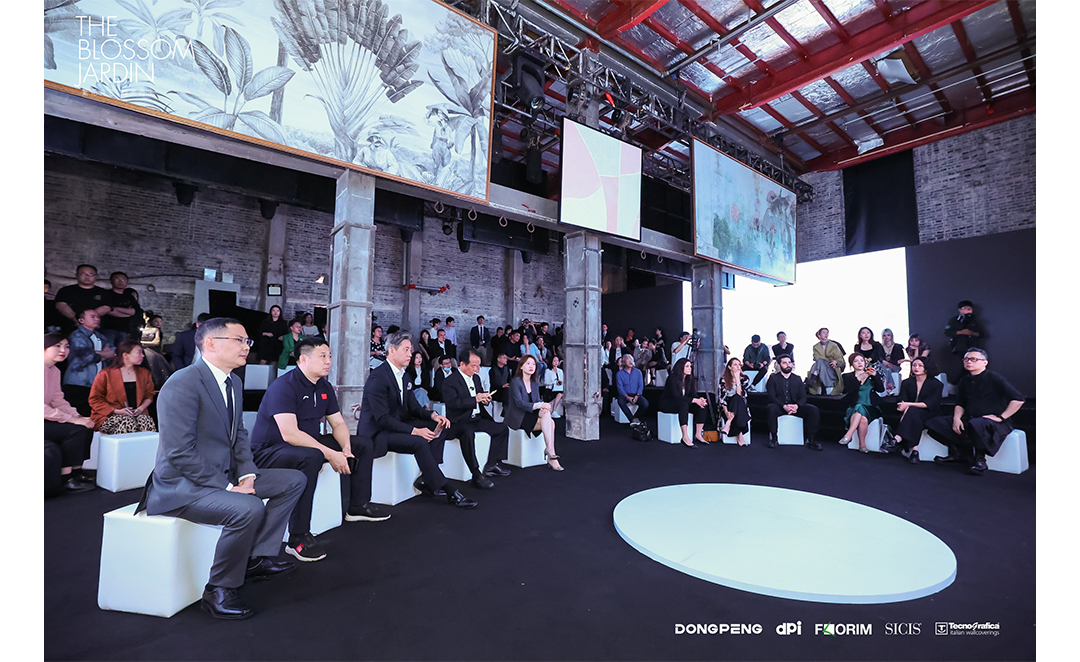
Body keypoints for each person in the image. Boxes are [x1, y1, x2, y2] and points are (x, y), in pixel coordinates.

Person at [141, 317, 306, 620]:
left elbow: (238, 434)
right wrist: (230, 488)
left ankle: (257, 557)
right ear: (211, 343)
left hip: (223, 476)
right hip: (183, 485)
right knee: (248, 507)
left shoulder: (233, 382)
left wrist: (247, 474)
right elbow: (179, 452)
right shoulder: (183, 382)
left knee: (294, 480)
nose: (247, 346)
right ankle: (219, 588)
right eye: (239, 340)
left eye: (247, 341)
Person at [249, 337, 388, 563]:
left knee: (362, 444)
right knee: (312, 456)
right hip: (271, 450)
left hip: (308, 443)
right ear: (303, 359)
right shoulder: (285, 386)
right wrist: (330, 454)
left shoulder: (324, 387)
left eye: (330, 356)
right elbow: (290, 434)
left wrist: (345, 448)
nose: (328, 361)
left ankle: (358, 506)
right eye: (323, 356)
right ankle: (298, 537)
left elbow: (338, 423)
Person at [355, 329, 477, 508]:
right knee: (419, 441)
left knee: (440, 428)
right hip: (378, 433)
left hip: (398, 424)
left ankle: (428, 478)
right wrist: (415, 431)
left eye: (411, 350)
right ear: (391, 350)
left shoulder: (404, 376)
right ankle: (448, 489)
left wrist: (434, 416)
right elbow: (382, 419)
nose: (410, 354)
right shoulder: (378, 377)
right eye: (406, 349)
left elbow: (413, 407)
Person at [925, 348, 1024, 475]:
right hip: (970, 418)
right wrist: (956, 418)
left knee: (977, 423)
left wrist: (1001, 417)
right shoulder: (964, 381)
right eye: (966, 359)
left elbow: (1018, 399)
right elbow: (960, 403)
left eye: (973, 359)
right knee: (934, 423)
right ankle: (959, 453)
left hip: (992, 422)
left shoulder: (994, 378)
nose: (969, 362)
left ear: (985, 362)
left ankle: (980, 460)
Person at [442, 348, 512, 489]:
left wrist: (484, 399)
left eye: (478, 366)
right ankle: (476, 474)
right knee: (467, 433)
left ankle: (491, 464)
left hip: (476, 418)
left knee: (502, 428)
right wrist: (475, 399)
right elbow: (453, 403)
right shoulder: (450, 381)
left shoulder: (476, 378)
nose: (477, 369)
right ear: (462, 364)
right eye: (473, 366)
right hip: (459, 421)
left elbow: (478, 396)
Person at [44, 333, 97, 493]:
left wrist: (78, 417)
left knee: (86, 426)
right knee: (75, 430)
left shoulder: (54, 370)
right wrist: (71, 420)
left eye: (66, 346)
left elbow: (58, 400)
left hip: (46, 417)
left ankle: (77, 471)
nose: (63, 350)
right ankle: (66, 477)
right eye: (57, 346)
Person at [505, 354, 562, 470]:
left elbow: (537, 400)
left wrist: (544, 406)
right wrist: (540, 405)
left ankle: (550, 451)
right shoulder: (516, 382)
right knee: (551, 422)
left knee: (547, 415)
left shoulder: (534, 383)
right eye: (528, 364)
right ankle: (551, 453)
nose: (531, 366)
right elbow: (519, 403)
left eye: (534, 364)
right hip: (518, 417)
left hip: (531, 413)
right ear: (521, 366)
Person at [89, 340, 157, 434]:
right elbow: (95, 399)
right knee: (128, 422)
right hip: (108, 416)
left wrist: (141, 408)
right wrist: (116, 411)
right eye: (139, 352)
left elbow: (149, 395)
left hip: (137, 414)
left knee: (146, 421)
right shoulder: (105, 374)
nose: (142, 356)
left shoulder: (144, 373)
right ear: (125, 355)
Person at [63, 308, 116, 416]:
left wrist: (96, 352)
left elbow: (113, 352)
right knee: (80, 414)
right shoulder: (76, 336)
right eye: (93, 317)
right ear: (81, 320)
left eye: (98, 316)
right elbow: (87, 356)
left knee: (94, 415)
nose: (96, 319)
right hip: (78, 382)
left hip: (96, 382)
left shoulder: (100, 336)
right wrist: (104, 354)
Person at [891, 357, 943, 464]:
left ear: (927, 368)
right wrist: (903, 406)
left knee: (911, 411)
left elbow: (930, 404)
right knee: (912, 412)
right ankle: (915, 450)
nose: (916, 368)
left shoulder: (936, 384)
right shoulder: (906, 382)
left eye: (920, 365)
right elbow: (902, 399)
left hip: (930, 412)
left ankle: (898, 437)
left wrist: (908, 405)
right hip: (912, 414)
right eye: (914, 365)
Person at [765, 355, 822, 450]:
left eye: (789, 362)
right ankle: (774, 439)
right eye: (784, 363)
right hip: (780, 406)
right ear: (779, 365)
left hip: (795, 407)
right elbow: (771, 396)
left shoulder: (797, 378)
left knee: (813, 410)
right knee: (771, 408)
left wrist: (797, 406)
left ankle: (811, 440)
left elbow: (803, 396)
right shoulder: (773, 378)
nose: (788, 365)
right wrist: (784, 406)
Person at [838, 354, 885, 453]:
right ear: (851, 364)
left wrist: (875, 376)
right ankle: (862, 445)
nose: (859, 363)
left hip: (871, 407)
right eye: (856, 361)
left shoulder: (872, 375)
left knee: (860, 408)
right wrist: (858, 379)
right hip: (854, 406)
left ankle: (848, 435)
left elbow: (881, 389)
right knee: (862, 417)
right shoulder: (847, 376)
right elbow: (848, 390)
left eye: (861, 360)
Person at [660, 357, 708, 448]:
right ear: (681, 367)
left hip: (683, 402)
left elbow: (693, 394)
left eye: (690, 366)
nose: (690, 368)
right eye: (687, 366)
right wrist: (695, 400)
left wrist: (700, 400)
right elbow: (676, 396)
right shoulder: (672, 378)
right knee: (684, 405)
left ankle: (698, 434)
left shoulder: (690, 379)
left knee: (702, 405)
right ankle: (685, 436)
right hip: (669, 403)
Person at [944, 300, 984, 383]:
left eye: (970, 309)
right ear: (960, 310)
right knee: (960, 366)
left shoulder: (974, 321)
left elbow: (981, 334)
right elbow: (947, 332)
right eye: (965, 308)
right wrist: (961, 332)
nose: (968, 311)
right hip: (959, 347)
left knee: (971, 367)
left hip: (972, 347)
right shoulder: (954, 320)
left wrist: (971, 333)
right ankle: (957, 383)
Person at [101, 272, 142, 345]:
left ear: (127, 282)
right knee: (108, 349)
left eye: (123, 280)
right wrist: (127, 313)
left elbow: (134, 311)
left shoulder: (130, 297)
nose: (120, 282)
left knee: (123, 350)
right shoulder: (106, 294)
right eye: (117, 279)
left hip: (125, 330)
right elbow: (106, 310)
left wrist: (114, 308)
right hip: (108, 328)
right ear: (111, 281)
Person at [718, 357, 751, 447]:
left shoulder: (745, 379)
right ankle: (740, 436)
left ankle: (728, 423)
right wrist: (726, 412)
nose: (738, 367)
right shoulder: (723, 380)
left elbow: (741, 395)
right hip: (727, 405)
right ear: (729, 367)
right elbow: (722, 398)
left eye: (739, 365)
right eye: (735, 365)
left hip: (740, 404)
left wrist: (737, 380)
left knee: (737, 398)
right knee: (735, 402)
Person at [807, 328, 845, 395]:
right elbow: (816, 358)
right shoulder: (816, 347)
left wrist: (836, 362)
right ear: (819, 335)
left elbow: (840, 360)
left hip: (831, 367)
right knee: (820, 362)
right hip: (821, 368)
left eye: (827, 332)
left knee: (819, 362)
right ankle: (827, 388)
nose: (826, 334)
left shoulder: (834, 346)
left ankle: (813, 377)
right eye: (824, 332)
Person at [614, 354, 649, 424]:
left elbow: (641, 385)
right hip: (625, 395)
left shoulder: (638, 372)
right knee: (620, 401)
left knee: (645, 404)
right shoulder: (619, 374)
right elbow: (620, 387)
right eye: (628, 360)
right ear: (624, 362)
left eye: (631, 360)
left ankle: (635, 418)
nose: (630, 362)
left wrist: (637, 396)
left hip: (636, 394)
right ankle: (632, 419)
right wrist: (627, 397)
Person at [877, 328, 905, 395]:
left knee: (888, 369)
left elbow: (901, 358)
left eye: (888, 335)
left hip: (894, 366)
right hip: (883, 366)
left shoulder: (898, 346)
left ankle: (888, 388)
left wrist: (891, 363)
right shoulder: (879, 347)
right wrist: (883, 361)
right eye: (884, 335)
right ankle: (890, 387)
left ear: (891, 336)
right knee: (887, 369)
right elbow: (878, 357)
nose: (886, 337)